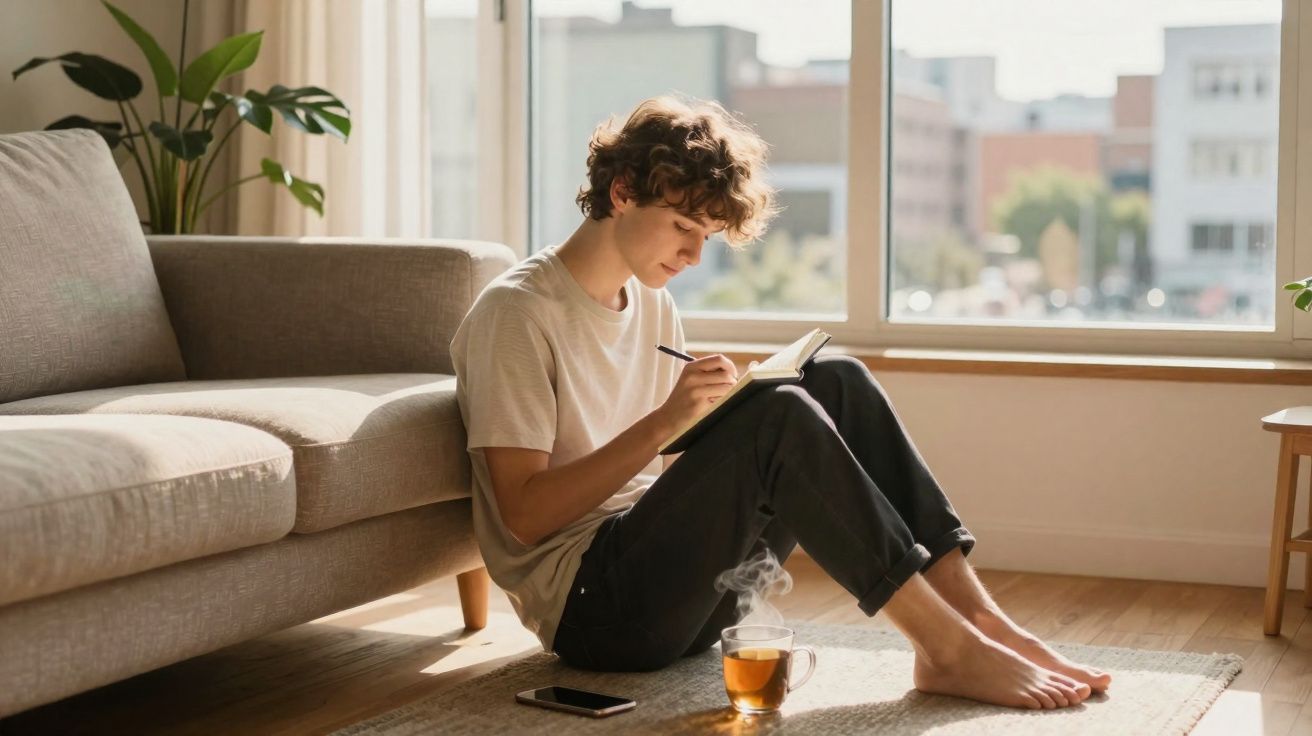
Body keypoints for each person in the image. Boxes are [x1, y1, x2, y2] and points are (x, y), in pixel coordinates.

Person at [449, 95, 1112, 710]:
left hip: (684, 598)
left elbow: (665, 485)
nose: (693, 254)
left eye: (706, 235)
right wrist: (667, 423)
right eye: (682, 226)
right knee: (779, 418)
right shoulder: (517, 314)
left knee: (835, 378)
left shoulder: (651, 303)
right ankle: (946, 649)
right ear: (621, 192)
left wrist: (715, 423)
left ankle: (981, 622)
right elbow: (524, 517)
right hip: (597, 613)